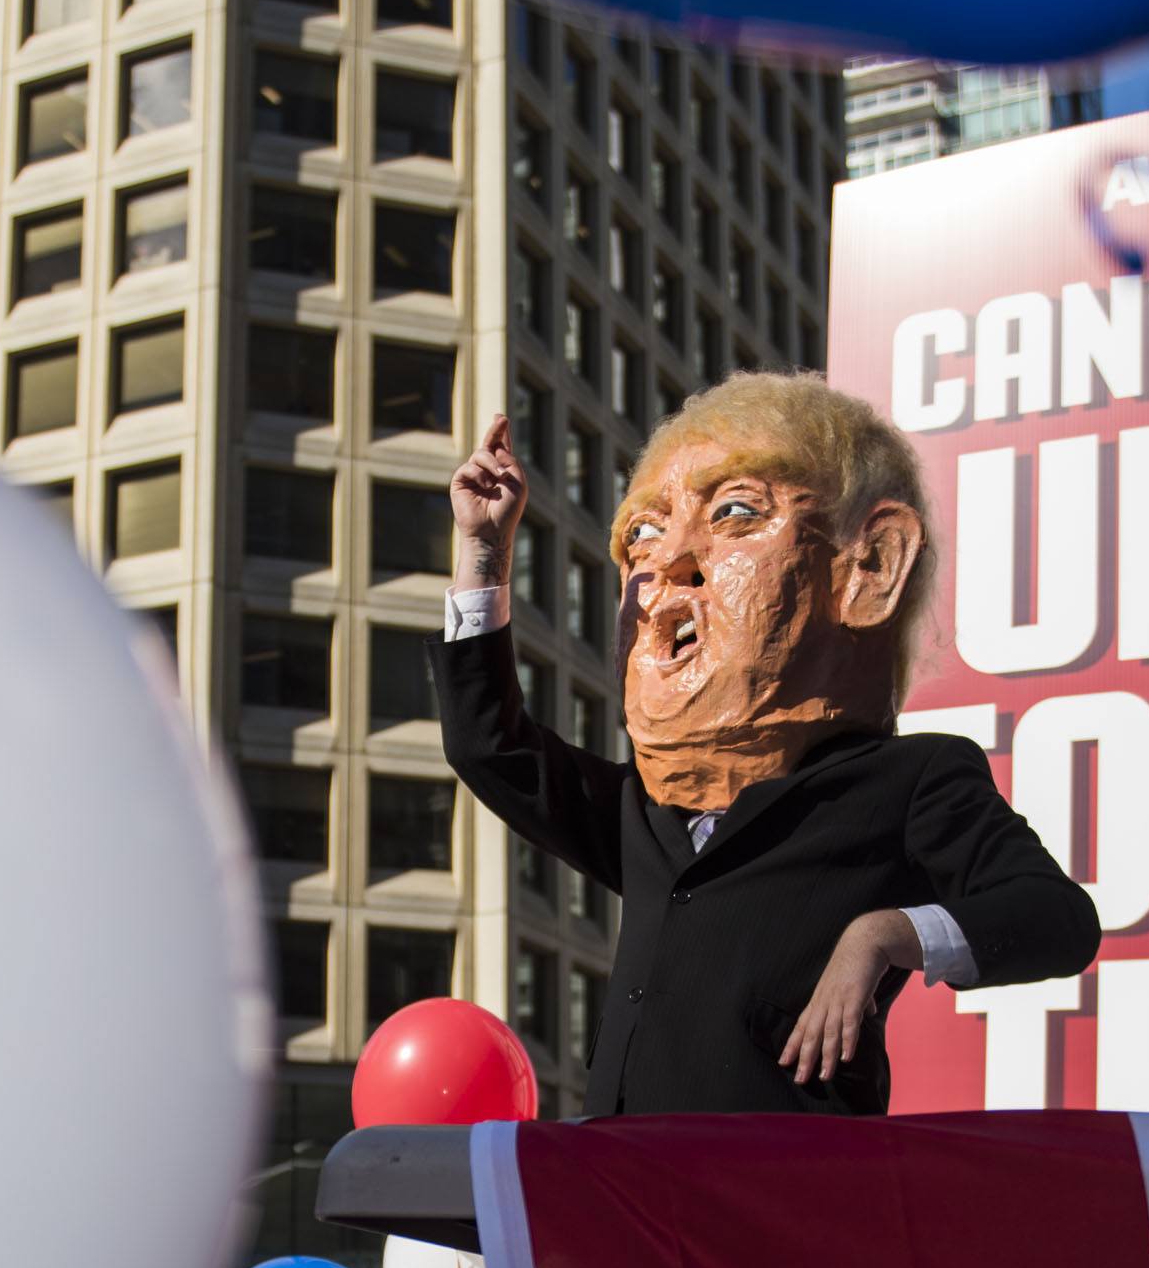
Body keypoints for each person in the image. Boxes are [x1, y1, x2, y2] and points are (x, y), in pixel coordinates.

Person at [435, 373, 1097, 1116]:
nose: (671, 564)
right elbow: (489, 746)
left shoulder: (908, 781)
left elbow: (1056, 918)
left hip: (779, 1196)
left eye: (737, 512)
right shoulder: (645, 811)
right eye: (644, 535)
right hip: (625, 1188)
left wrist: (881, 937)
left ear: (871, 567)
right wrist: (482, 552)